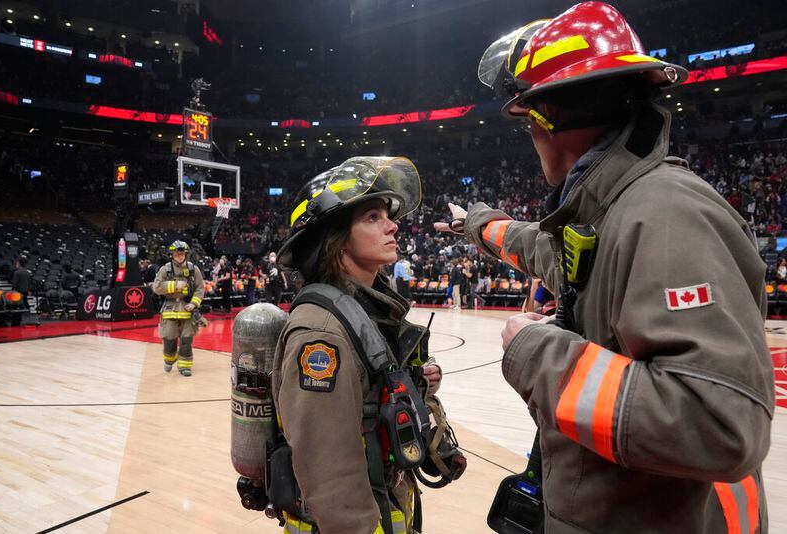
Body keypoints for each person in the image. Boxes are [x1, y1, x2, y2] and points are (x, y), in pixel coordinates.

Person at [436, 3, 772, 532]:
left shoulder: (665, 214)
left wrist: (533, 351)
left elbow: (718, 425)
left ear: (545, 120)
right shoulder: (609, 212)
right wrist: (475, 224)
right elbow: (538, 247)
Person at [272, 156, 445, 534]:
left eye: (388, 214)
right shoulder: (322, 335)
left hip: (390, 503)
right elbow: (330, 471)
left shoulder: (369, 310)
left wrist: (419, 382)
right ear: (334, 240)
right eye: (372, 217)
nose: (392, 224)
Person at [152, 240, 205, 377]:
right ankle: (169, 359)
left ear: (186, 254)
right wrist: (175, 286)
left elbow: (200, 288)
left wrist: (193, 304)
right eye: (177, 254)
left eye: (182, 254)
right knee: (169, 338)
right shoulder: (165, 269)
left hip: (188, 310)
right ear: (172, 255)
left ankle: (185, 366)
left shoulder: (194, 269)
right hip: (170, 308)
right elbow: (156, 287)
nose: (180, 256)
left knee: (187, 339)